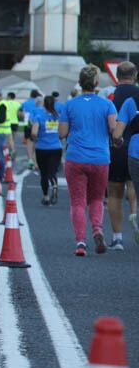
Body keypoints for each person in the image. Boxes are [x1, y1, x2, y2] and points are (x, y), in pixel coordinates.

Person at [59, 64, 117, 256]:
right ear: (97, 83)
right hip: (100, 158)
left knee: (77, 202)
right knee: (96, 199)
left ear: (80, 82)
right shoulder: (107, 104)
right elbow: (113, 130)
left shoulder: (69, 105)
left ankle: (81, 243)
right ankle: (98, 229)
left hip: (76, 157)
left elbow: (62, 132)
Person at [107, 62, 139, 250]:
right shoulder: (135, 95)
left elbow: (114, 129)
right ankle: (134, 215)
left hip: (119, 149)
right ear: (135, 75)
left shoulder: (109, 94)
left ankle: (117, 237)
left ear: (117, 75)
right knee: (134, 190)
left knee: (115, 193)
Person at [31, 95, 63, 207]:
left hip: (42, 148)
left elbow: (34, 133)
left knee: (43, 173)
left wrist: (36, 139)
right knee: (52, 171)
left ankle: (45, 197)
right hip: (56, 147)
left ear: (44, 104)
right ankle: (54, 184)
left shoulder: (39, 116)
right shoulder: (58, 116)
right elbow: (62, 132)